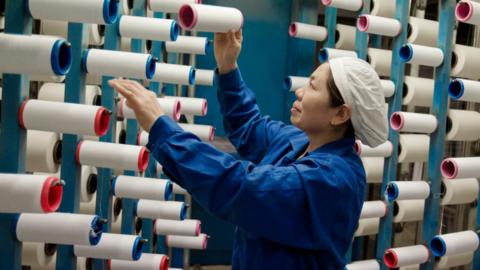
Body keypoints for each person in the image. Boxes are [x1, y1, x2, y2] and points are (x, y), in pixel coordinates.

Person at [109, 29, 388, 270]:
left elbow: (241, 187)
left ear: (340, 114)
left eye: (313, 87)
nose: (299, 92)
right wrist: (228, 65)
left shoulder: (332, 179)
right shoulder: (298, 141)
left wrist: (161, 127)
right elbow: (248, 125)